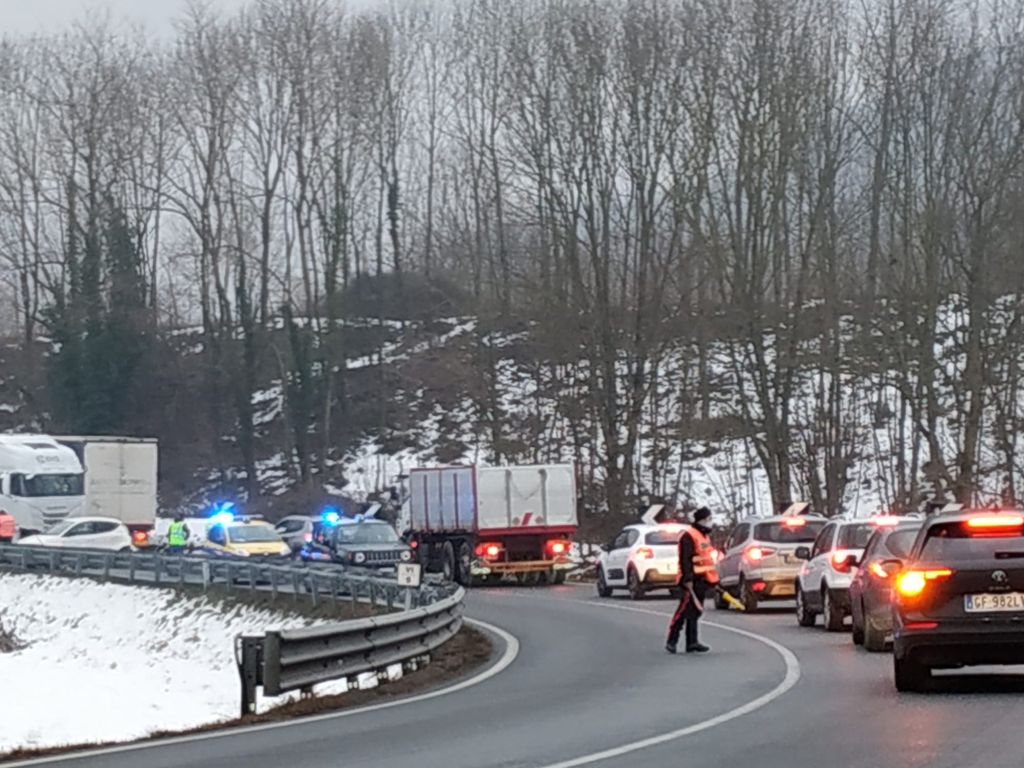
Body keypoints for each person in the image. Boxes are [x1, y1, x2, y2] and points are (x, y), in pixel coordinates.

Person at [666, 506, 719, 654]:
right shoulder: (689, 535)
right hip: (690, 580)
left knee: (695, 612)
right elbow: (685, 559)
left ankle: (692, 642)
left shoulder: (704, 536)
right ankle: (672, 640)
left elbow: (706, 559)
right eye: (708, 519)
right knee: (683, 611)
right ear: (701, 520)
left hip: (702, 579)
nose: (710, 521)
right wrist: (687, 578)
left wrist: (712, 579)